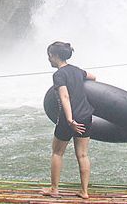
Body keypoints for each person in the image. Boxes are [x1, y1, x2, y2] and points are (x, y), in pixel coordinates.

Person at [40, 42, 96, 199]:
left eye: (50, 55)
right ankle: (84, 192)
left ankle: (54, 189)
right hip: (86, 115)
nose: (49, 59)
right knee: (83, 155)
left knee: (57, 152)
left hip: (68, 118)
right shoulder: (77, 70)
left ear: (56, 56)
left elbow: (64, 97)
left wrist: (70, 119)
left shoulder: (58, 75)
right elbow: (93, 77)